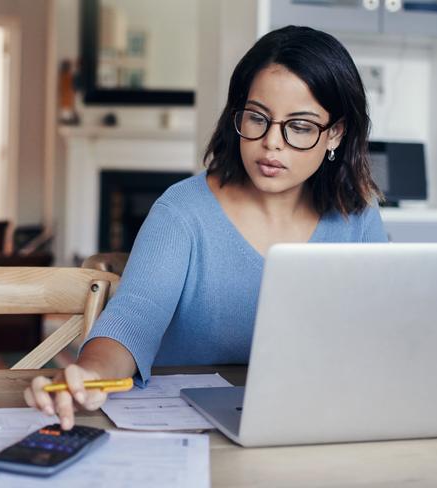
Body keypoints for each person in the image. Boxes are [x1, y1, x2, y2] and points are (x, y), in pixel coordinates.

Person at [25, 25, 388, 429]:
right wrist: (91, 374)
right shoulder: (182, 211)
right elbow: (133, 319)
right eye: (257, 118)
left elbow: (381, 333)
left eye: (299, 127)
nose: (272, 143)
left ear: (335, 133)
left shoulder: (357, 214)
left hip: (313, 422)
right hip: (189, 430)